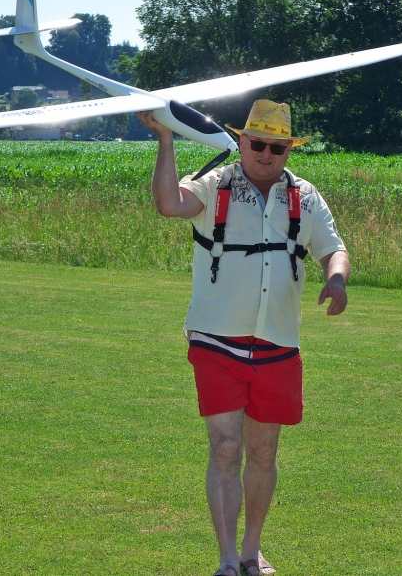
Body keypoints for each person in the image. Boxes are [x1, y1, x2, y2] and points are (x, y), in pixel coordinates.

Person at [137, 100, 350, 576]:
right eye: (258, 144)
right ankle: (228, 559)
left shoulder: (305, 197)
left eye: (277, 147)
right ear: (242, 142)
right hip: (216, 340)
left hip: (278, 343)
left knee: (264, 452)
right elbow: (169, 204)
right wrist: (166, 138)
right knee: (226, 448)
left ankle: (252, 550)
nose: (266, 154)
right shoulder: (215, 184)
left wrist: (336, 279)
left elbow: (333, 249)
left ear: (288, 150)